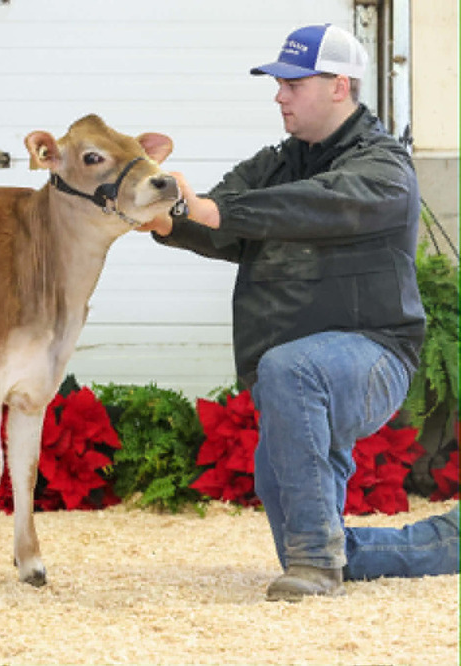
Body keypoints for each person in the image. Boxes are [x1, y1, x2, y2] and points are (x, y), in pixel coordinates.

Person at [139, 23, 459, 601]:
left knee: (291, 370)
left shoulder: (384, 166)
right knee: (306, 535)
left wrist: (206, 209)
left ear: (339, 86)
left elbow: (313, 206)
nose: (279, 96)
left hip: (373, 357)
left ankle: (317, 564)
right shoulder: (274, 164)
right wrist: (166, 218)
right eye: (278, 84)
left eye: (293, 84)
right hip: (292, 376)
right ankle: (432, 544)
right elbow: (221, 224)